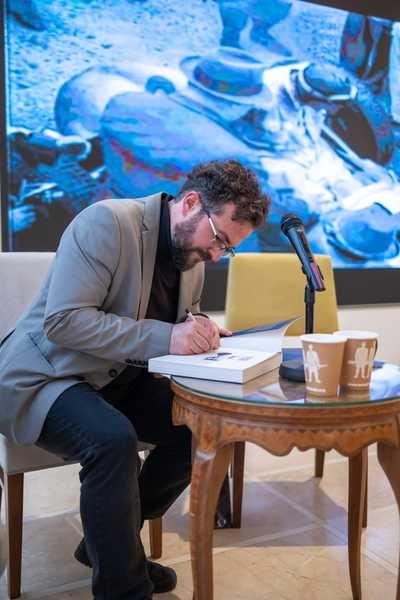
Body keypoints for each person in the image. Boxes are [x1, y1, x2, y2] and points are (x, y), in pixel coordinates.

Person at [0, 159, 270, 599]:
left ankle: (109, 543)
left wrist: (201, 327)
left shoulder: (193, 254)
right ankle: (124, 586)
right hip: (46, 374)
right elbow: (64, 322)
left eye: (228, 249)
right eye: (219, 239)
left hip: (115, 374)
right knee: (113, 441)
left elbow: (176, 318)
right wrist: (169, 336)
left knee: (200, 427)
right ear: (190, 203)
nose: (217, 255)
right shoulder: (106, 223)